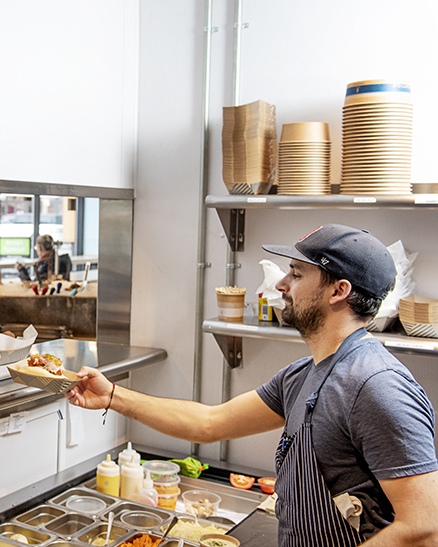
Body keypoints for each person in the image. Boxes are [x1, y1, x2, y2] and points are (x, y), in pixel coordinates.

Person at [68, 224, 438, 546]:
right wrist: (113, 396)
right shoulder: (302, 376)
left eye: (295, 273)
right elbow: (209, 423)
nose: (281, 284)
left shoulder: (377, 387)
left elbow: (424, 528)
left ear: (338, 290)